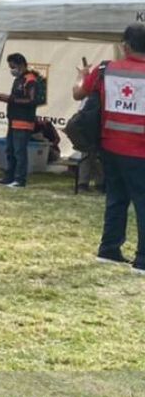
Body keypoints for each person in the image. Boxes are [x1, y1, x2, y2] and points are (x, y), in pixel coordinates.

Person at [74, 25, 145, 271]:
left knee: (116, 199)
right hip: (140, 150)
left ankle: (109, 249)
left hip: (110, 145)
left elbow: (78, 93)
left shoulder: (106, 69)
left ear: (125, 46)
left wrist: (81, 74)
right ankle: (142, 259)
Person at [0, 52, 39, 189]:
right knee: (10, 150)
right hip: (13, 120)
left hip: (24, 122)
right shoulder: (18, 79)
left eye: (13, 66)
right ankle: (9, 177)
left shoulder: (30, 80)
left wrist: (10, 99)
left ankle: (20, 180)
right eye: (10, 67)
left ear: (22, 65)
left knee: (19, 152)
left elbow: (32, 100)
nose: (12, 70)